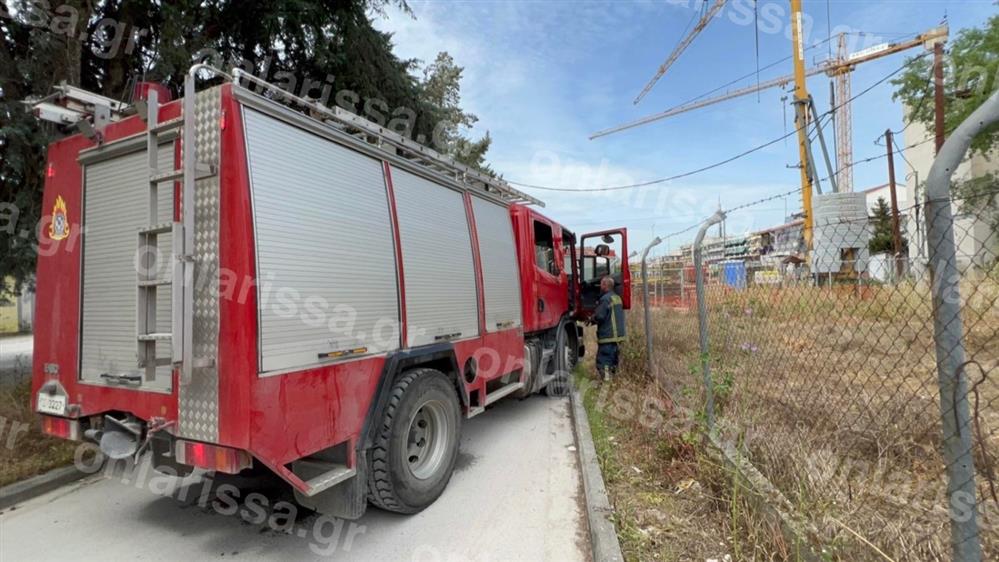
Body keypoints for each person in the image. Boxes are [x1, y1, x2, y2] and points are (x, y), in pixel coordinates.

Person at [592, 276, 625, 381]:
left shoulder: (605, 299)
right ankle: (612, 383)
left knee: (604, 363)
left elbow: (600, 316)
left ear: (605, 286)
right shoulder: (617, 298)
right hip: (618, 337)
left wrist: (591, 318)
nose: (599, 286)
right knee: (614, 362)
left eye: (601, 284)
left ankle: (606, 385)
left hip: (608, 337)